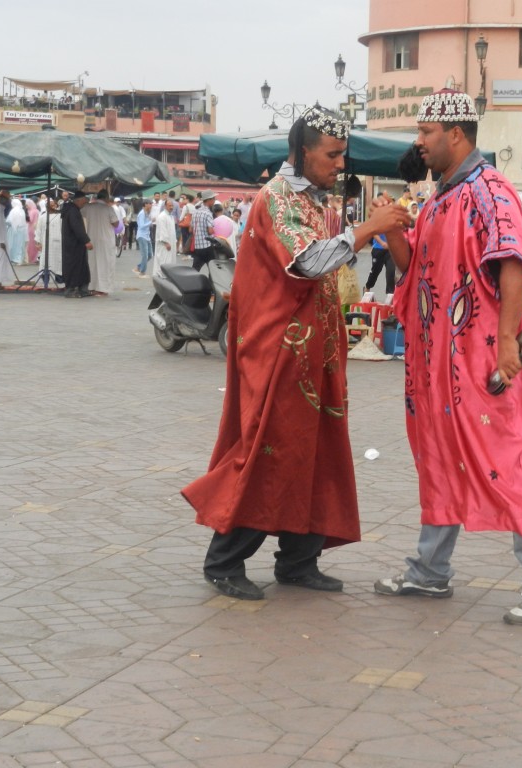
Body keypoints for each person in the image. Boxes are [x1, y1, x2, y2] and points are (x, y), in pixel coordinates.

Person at [182, 105, 411, 601]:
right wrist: (368, 228)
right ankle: (223, 560)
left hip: (316, 353)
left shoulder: (323, 204)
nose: (339, 163)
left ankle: (298, 560)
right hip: (278, 351)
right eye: (332, 154)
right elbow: (307, 263)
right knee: (270, 452)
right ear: (303, 152)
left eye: (342, 154)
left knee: (317, 452)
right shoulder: (278, 199)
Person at [373, 89, 522, 626]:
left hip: (482, 362)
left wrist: (507, 342)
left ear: (455, 134)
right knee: (439, 457)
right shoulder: (440, 197)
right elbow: (414, 263)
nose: (418, 142)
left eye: (425, 132)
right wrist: (391, 228)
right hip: (439, 367)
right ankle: (430, 570)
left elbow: (513, 262)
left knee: (503, 458)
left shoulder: (490, 191)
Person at [82, 189, 118, 295]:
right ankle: (103, 288)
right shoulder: (109, 209)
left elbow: (80, 212)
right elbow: (116, 223)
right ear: (106, 198)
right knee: (105, 264)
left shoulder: (88, 207)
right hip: (106, 240)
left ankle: (92, 286)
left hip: (91, 238)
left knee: (92, 263)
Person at [61, 190, 93, 297]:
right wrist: (86, 241)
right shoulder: (72, 211)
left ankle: (83, 289)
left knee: (82, 267)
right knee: (73, 267)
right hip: (73, 245)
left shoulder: (72, 210)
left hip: (76, 244)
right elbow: (77, 228)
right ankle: (70, 290)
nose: (85, 204)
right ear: (78, 201)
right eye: (84, 201)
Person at [35, 197, 63, 279]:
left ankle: (59, 275)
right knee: (45, 259)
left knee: (58, 260)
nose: (53, 207)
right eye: (51, 205)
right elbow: (38, 230)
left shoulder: (60, 216)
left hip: (58, 241)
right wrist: (38, 242)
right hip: (46, 242)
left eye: (54, 205)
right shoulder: (42, 217)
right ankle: (45, 275)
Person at [190, 191, 217, 273]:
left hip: (197, 246)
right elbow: (210, 231)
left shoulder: (195, 212)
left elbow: (190, 229)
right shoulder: (208, 213)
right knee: (213, 270)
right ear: (209, 200)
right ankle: (212, 284)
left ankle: (191, 283)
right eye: (213, 199)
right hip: (207, 246)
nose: (214, 201)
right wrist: (214, 230)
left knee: (195, 269)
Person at [153, 198, 177, 278]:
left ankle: (168, 276)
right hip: (164, 244)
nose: (171, 207)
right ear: (165, 206)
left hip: (171, 242)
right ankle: (162, 277)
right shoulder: (162, 216)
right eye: (169, 206)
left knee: (170, 261)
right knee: (163, 261)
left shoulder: (171, 216)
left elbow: (172, 230)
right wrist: (166, 242)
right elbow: (162, 231)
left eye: (172, 206)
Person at [133, 199, 155, 278]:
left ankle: (138, 267)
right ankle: (142, 272)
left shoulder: (147, 213)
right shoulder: (142, 214)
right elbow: (141, 226)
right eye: (149, 204)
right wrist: (150, 222)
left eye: (151, 204)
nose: (151, 205)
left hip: (147, 236)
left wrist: (150, 223)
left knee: (150, 255)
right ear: (145, 204)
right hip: (142, 236)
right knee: (145, 255)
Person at [6, 199, 28, 265]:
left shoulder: (13, 211)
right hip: (21, 231)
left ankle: (14, 258)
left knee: (13, 245)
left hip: (13, 231)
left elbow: (9, 221)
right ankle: (20, 259)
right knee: (20, 245)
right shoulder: (22, 211)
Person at [25, 198, 40, 264]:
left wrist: (25, 218)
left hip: (31, 229)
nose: (26, 207)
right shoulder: (36, 210)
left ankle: (31, 258)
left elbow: (30, 220)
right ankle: (34, 258)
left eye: (27, 205)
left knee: (31, 245)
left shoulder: (32, 211)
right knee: (34, 244)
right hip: (35, 229)